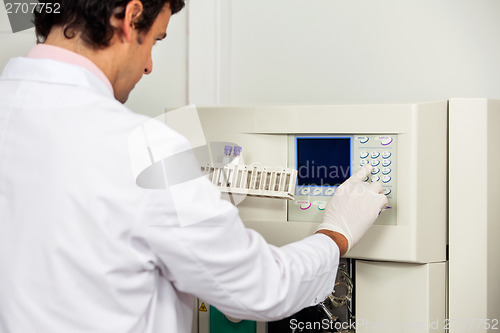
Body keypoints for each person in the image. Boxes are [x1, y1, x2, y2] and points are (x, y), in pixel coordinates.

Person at [0, 1, 387, 332]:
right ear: (131, 16)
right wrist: (336, 233)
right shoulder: (143, 147)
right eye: (154, 40)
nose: (149, 65)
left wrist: (195, 201)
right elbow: (259, 290)